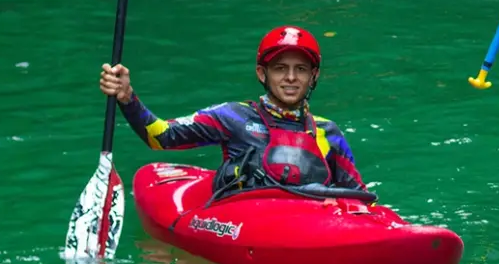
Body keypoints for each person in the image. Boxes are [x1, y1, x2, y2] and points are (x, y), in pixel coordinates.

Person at [95, 25, 363, 202]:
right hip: (248, 223)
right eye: (281, 68)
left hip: (314, 226)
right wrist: (128, 98)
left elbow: (359, 196)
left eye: (301, 69)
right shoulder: (233, 117)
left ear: (313, 76)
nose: (291, 78)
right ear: (262, 73)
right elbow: (160, 136)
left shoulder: (328, 132)